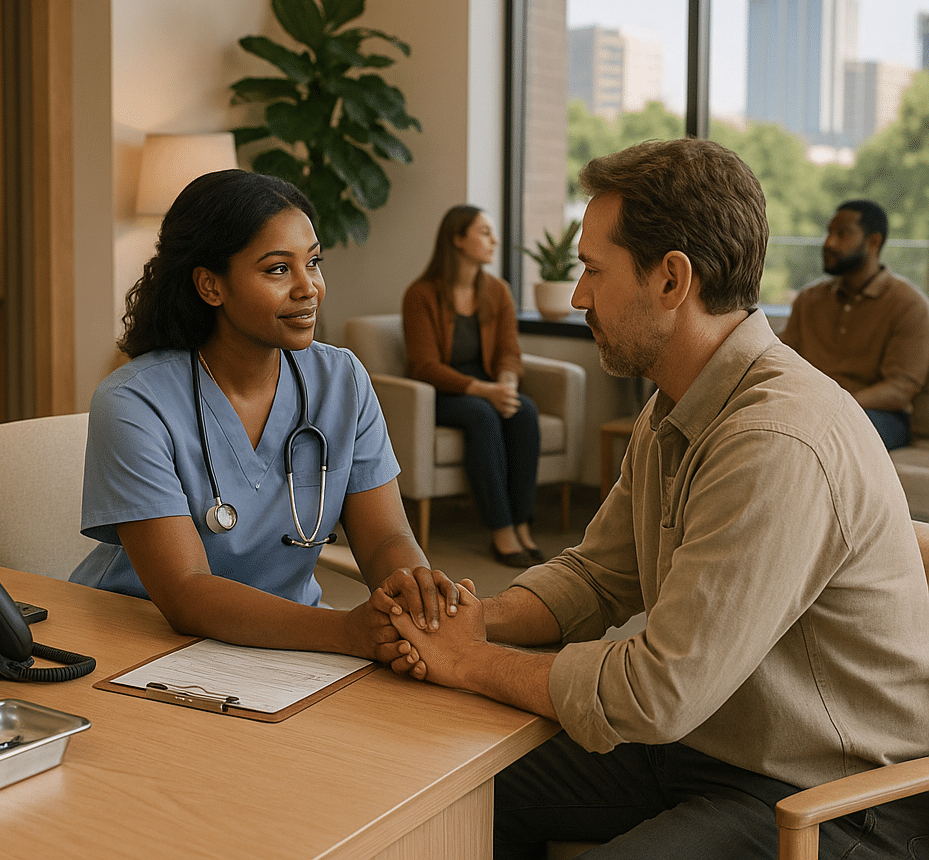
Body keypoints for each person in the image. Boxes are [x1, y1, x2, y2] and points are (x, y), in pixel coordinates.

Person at [387, 140, 929, 859]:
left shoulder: (777, 439)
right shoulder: (679, 402)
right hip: (700, 745)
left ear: (673, 279)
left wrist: (469, 663)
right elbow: (596, 575)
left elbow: (656, 690)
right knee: (441, 794)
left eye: (592, 270)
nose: (577, 295)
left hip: (829, 797)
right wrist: (474, 620)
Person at [70, 169, 465, 665]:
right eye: (278, 269)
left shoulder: (341, 379)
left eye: (313, 262)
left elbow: (386, 537)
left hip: (292, 644)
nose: (309, 288)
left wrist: (416, 602)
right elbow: (186, 591)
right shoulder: (133, 402)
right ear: (211, 285)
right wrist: (348, 632)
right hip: (143, 643)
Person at [402, 205, 542, 568]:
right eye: (484, 232)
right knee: (481, 415)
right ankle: (501, 529)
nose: (494, 240)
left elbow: (510, 351)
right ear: (458, 240)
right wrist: (484, 391)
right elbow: (424, 366)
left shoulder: (497, 291)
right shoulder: (420, 295)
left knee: (524, 410)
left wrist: (506, 385)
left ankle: (523, 522)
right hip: (444, 393)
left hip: (487, 386)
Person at [780, 199, 929, 450]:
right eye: (828, 232)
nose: (829, 243)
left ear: (873, 242)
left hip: (880, 414)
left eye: (842, 234)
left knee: (831, 433)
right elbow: (783, 360)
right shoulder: (809, 299)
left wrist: (837, 403)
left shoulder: (909, 304)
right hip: (810, 406)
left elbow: (901, 388)